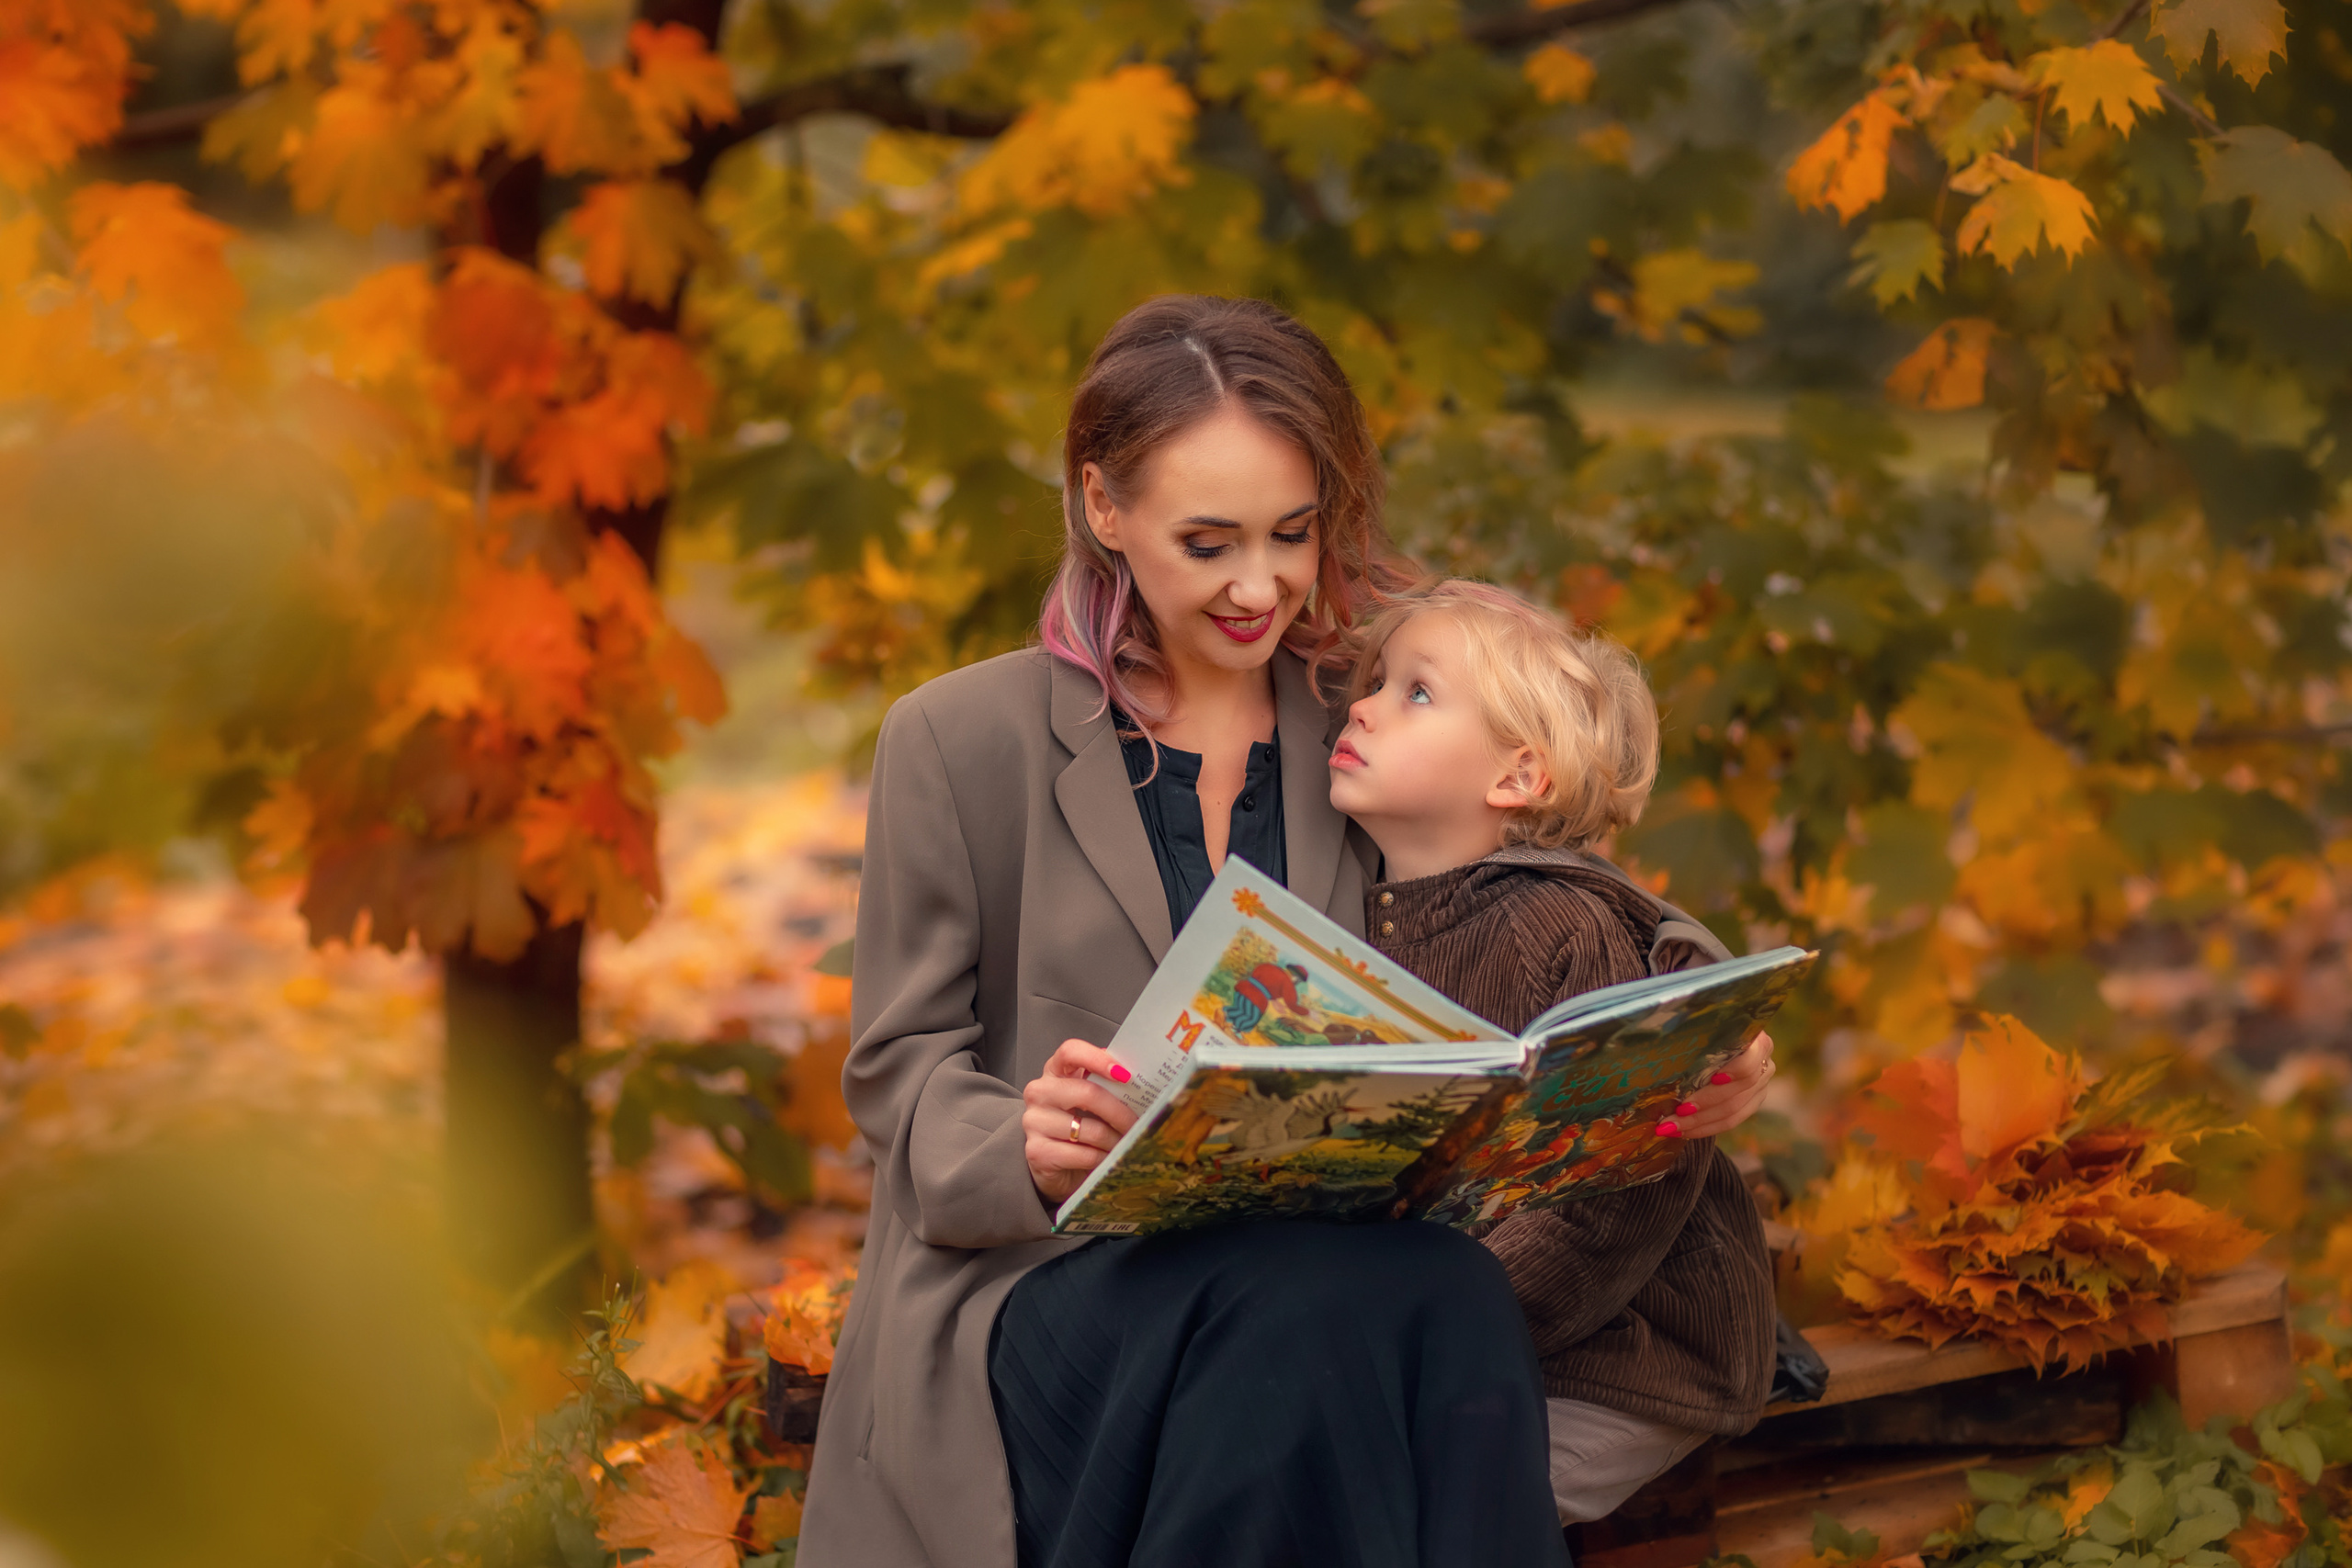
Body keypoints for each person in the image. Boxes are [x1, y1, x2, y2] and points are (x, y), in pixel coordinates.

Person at [797, 295, 1776, 1568]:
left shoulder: (1355, 722)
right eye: (1207, 541)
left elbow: (1570, 876)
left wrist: (1700, 1024)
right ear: (1105, 507)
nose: (1259, 584)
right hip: (1042, 1287)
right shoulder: (962, 738)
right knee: (1329, 1317)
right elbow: (899, 1071)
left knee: (1422, 1292)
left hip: (1315, 1280)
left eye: (1293, 534)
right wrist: (1024, 1147)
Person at [1328, 580, 1780, 1525]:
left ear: (1517, 777)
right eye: (1374, 682)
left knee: (1412, 1508)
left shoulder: (1562, 927)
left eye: (1415, 693)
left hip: (1627, 1355)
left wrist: (1439, 1335)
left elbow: (1619, 1189)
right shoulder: (1361, 925)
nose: (1361, 705)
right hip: (1445, 1335)